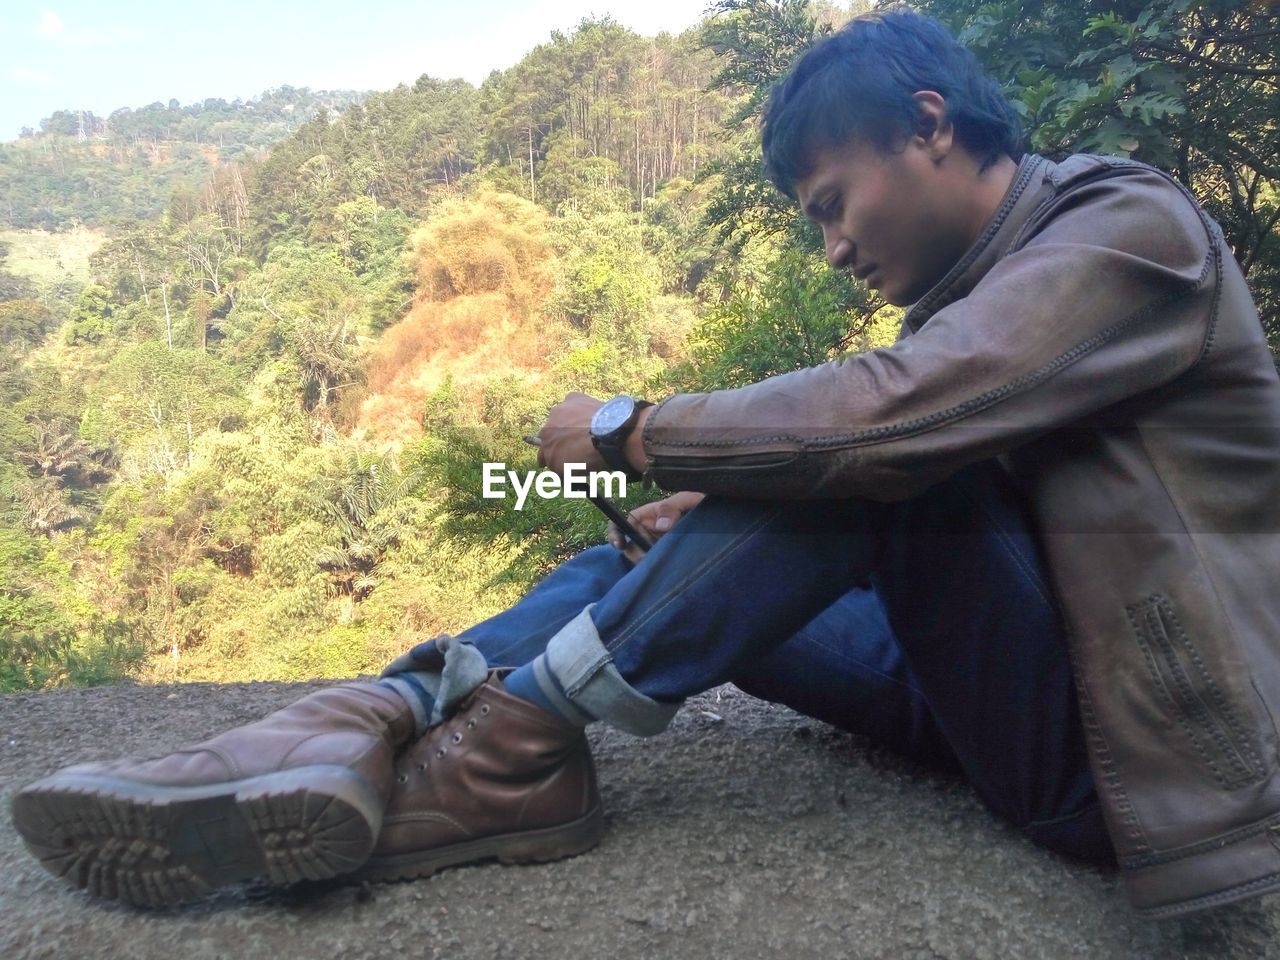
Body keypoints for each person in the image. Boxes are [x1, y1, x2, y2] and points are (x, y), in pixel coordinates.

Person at [13, 7, 1280, 919]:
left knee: (863, 457)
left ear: (928, 126)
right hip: (976, 689)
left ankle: (503, 756)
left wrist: (627, 429)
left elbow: (884, 425)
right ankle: (374, 715)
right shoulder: (971, 301)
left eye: (830, 203)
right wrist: (680, 497)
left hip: (1126, 755)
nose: (830, 248)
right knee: (652, 532)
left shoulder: (1130, 232)